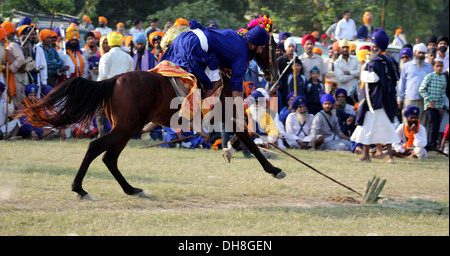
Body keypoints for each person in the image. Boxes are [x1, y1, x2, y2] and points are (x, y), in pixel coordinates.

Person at [160, 19, 270, 105]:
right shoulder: (242, 56)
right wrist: (240, 115)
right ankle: (195, 113)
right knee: (216, 83)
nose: (261, 51)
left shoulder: (233, 34)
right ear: (252, 45)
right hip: (195, 46)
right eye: (261, 48)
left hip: (184, 37)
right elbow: (236, 88)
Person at [351, 28, 400, 163]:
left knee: (385, 128)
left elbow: (374, 78)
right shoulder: (387, 60)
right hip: (375, 100)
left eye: (374, 45)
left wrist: (363, 73)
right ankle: (366, 155)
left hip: (377, 102)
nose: (372, 47)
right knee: (368, 128)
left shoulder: (378, 61)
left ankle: (389, 156)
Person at [397, 43, 433, 124]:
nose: (421, 55)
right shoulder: (407, 66)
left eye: (423, 53)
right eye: (419, 53)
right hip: (409, 99)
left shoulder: (429, 67)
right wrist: (399, 99)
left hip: (424, 101)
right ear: (414, 53)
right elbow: (402, 83)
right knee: (407, 124)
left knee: (422, 124)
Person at [418, 57, 447, 148]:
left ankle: (434, 144)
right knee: (433, 124)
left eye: (440, 66)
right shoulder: (430, 76)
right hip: (430, 105)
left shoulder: (443, 78)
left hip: (438, 105)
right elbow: (421, 89)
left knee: (437, 125)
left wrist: (442, 106)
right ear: (433, 67)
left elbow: (443, 93)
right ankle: (430, 144)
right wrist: (429, 100)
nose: (439, 68)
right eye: (437, 66)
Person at [2, 21, 27, 104]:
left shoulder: (12, 45)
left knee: (18, 100)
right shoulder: (5, 46)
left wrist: (10, 69)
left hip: (16, 77)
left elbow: (21, 59)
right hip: (10, 77)